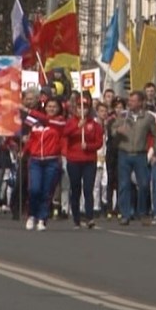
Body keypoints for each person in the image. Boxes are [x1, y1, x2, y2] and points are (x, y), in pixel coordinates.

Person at [110, 91, 156, 226]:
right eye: (129, 100)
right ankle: (125, 214)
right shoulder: (123, 116)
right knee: (124, 185)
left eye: (133, 100)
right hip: (124, 153)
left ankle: (142, 212)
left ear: (140, 102)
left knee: (144, 184)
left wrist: (155, 151)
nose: (130, 103)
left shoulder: (148, 118)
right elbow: (112, 129)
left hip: (140, 154)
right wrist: (117, 131)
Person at [23, 96, 67, 231]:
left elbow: (47, 120)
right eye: (49, 106)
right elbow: (28, 135)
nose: (51, 109)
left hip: (51, 161)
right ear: (45, 107)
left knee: (47, 192)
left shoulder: (59, 122)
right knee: (34, 189)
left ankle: (42, 218)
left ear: (59, 109)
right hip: (36, 160)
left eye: (54, 107)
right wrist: (24, 150)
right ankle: (31, 215)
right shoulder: (35, 122)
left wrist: (29, 111)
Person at [65, 94, 104, 229]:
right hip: (74, 160)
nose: (82, 111)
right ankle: (76, 218)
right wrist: (77, 126)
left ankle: (90, 217)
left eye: (85, 108)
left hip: (89, 160)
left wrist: (88, 146)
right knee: (75, 189)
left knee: (88, 189)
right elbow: (65, 134)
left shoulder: (95, 125)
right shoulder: (70, 122)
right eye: (80, 108)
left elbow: (99, 142)